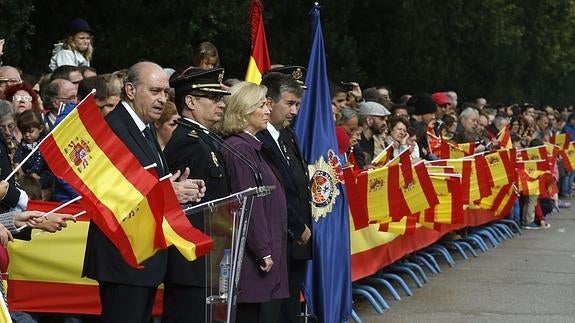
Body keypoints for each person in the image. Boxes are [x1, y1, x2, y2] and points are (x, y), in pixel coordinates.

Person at [82, 61, 205, 323]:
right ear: (130, 90)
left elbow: (147, 178)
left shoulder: (145, 128)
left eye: (165, 93)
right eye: (155, 91)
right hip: (122, 258)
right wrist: (168, 191)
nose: (162, 99)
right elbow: (113, 191)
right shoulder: (114, 128)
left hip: (143, 256)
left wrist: (179, 188)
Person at [162, 67, 231, 322]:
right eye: (213, 98)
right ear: (190, 101)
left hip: (208, 260)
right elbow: (184, 206)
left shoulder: (205, 138)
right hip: (193, 264)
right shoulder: (188, 141)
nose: (221, 104)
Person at [219, 81, 288, 322]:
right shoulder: (239, 148)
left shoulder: (251, 147)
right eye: (261, 105)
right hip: (252, 259)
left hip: (265, 251)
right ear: (244, 110)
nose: (269, 109)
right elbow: (248, 203)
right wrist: (262, 250)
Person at [259, 71, 313, 323]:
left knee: (290, 307)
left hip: (297, 239)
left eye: (298, 105)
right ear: (270, 102)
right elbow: (276, 190)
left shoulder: (287, 134)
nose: (295, 111)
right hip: (280, 237)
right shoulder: (260, 138)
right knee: (277, 311)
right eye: (290, 103)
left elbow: (297, 182)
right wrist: (295, 225)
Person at [14, 110, 53, 201]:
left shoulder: (43, 144)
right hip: (27, 175)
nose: (27, 135)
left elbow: (40, 158)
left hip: (41, 174)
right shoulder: (23, 144)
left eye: (30, 131)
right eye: (23, 132)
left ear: (40, 129)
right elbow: (19, 153)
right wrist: (17, 162)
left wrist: (34, 171)